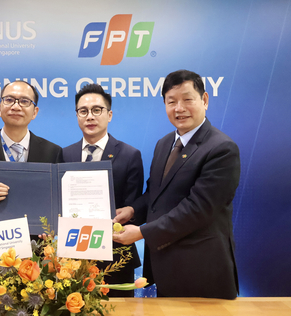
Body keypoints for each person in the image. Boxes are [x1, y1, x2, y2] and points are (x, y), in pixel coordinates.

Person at [113, 70, 240, 299]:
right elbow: (155, 193)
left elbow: (197, 210)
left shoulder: (221, 149)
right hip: (166, 267)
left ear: (205, 100)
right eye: (171, 101)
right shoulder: (164, 144)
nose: (179, 108)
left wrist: (141, 232)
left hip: (202, 270)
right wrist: (132, 211)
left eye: (187, 99)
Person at [62, 83, 144, 297]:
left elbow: (133, 207)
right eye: (83, 111)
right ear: (77, 116)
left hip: (115, 258)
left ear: (109, 115)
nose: (90, 116)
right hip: (71, 258)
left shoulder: (130, 155)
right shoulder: (64, 154)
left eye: (97, 110)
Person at [0, 80, 62, 216]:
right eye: (9, 100)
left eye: (24, 101)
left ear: (34, 112)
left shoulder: (52, 152)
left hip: (39, 235)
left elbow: (59, 200)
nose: (16, 106)